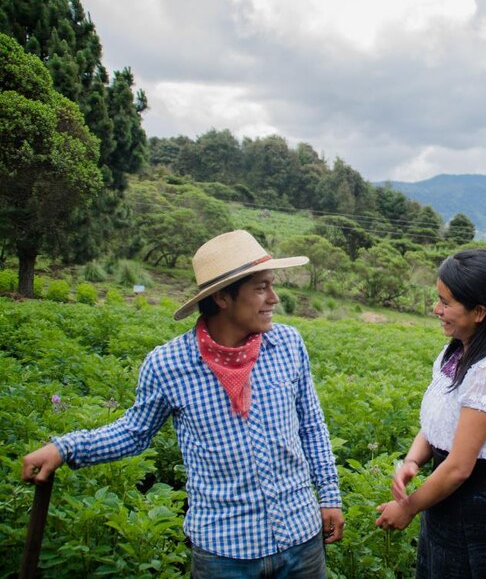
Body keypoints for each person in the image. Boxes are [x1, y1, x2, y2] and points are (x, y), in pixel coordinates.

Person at [21, 230, 344, 578]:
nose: (274, 298)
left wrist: (329, 495)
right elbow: (133, 433)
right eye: (261, 288)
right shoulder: (170, 364)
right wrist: (65, 448)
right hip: (225, 551)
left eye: (272, 286)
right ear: (222, 297)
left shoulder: (287, 344)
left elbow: (311, 425)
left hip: (300, 538)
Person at [375, 248, 486, 578]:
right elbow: (438, 424)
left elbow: (459, 467)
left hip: (475, 516)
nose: (437, 309)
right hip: (442, 501)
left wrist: (407, 507)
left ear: (479, 312)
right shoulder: (455, 354)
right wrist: (412, 462)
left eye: (445, 302)